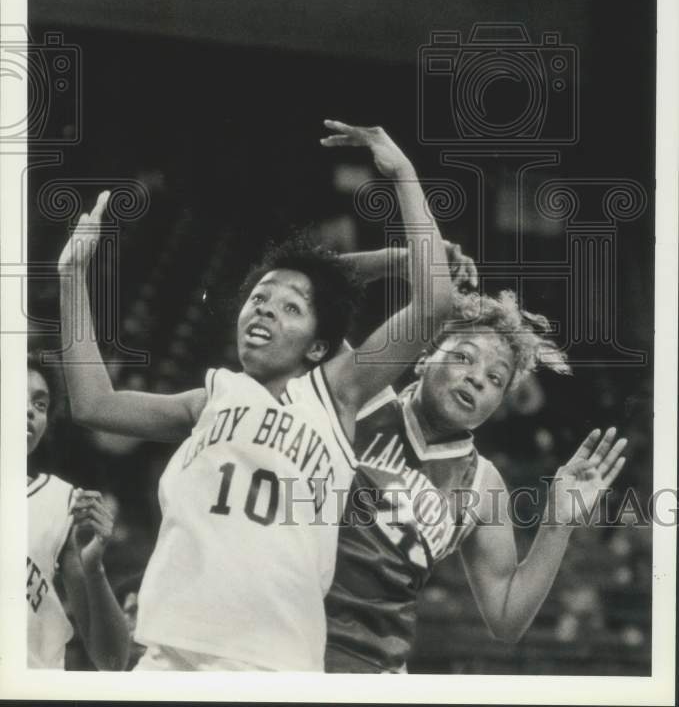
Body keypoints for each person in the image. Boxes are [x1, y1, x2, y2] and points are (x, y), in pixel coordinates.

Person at [57, 121, 456, 672]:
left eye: (289, 307)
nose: (265, 308)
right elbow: (92, 404)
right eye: (260, 298)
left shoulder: (336, 392)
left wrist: (404, 175)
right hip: (169, 651)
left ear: (319, 346)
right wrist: (72, 278)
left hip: (274, 660)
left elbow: (434, 304)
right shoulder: (212, 397)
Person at [324, 289, 628, 673]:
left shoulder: (482, 484)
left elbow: (505, 617)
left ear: (500, 401)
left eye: (495, 378)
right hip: (287, 636)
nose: (476, 379)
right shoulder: (360, 393)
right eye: (463, 357)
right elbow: (313, 291)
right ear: (423, 358)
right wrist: (393, 260)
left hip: (374, 669)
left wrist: (558, 524)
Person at [26, 353, 130, 670]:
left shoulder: (59, 502)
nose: (30, 410)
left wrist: (94, 565)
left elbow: (112, 661)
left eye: (40, 404)